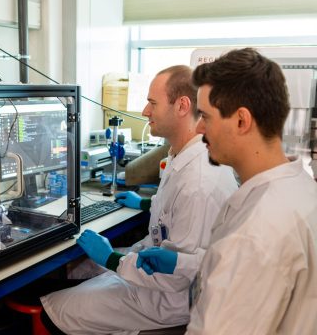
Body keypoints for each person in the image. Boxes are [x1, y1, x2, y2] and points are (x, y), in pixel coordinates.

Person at [40, 65, 238, 334]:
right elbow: (173, 212)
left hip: (168, 299)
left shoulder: (199, 182)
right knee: (78, 270)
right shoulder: (184, 156)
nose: (145, 112)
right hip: (156, 273)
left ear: (182, 106)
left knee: (55, 310)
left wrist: (110, 259)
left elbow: (176, 276)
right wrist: (144, 203)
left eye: (152, 103)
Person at [136, 48, 317, 334]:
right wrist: (187, 264)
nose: (198, 128)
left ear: (241, 121)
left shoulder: (253, 234)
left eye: (206, 116)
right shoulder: (301, 189)